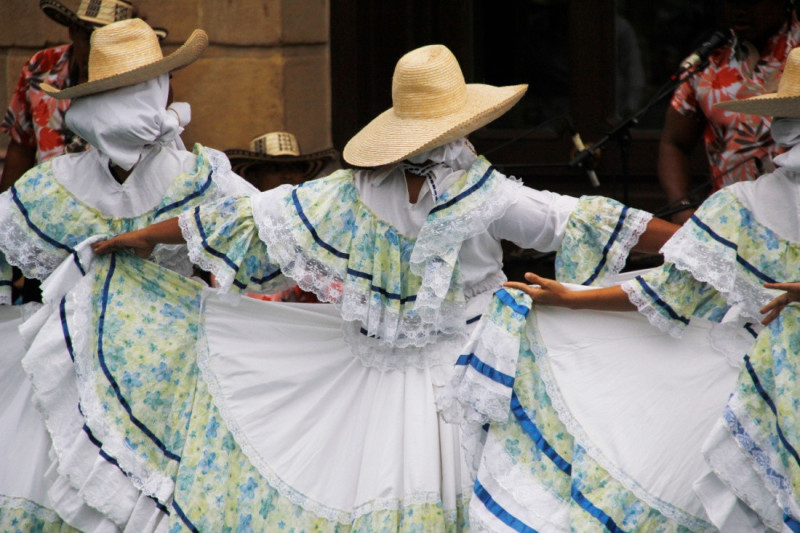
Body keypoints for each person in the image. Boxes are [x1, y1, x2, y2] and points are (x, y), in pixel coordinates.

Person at [41, 43, 679, 531]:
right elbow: (578, 219)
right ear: (459, 125)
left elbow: (239, 220)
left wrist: (140, 237)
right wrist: (698, 246)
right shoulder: (483, 193)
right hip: (469, 378)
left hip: (381, 385)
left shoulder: (349, 195)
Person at [488, 46, 800, 531]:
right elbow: (671, 293)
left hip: (757, 384)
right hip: (756, 383)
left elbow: (671, 295)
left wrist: (573, 298)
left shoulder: (739, 207)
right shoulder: (740, 209)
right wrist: (571, 298)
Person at [0, 18, 256, 531]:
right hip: (130, 374)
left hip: (145, 375)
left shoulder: (55, 187)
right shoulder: (198, 179)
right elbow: (272, 231)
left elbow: (268, 233)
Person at [658, 0, 800, 224]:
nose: (739, 9)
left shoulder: (797, 57)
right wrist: (681, 207)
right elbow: (674, 142)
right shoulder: (708, 61)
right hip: (728, 222)